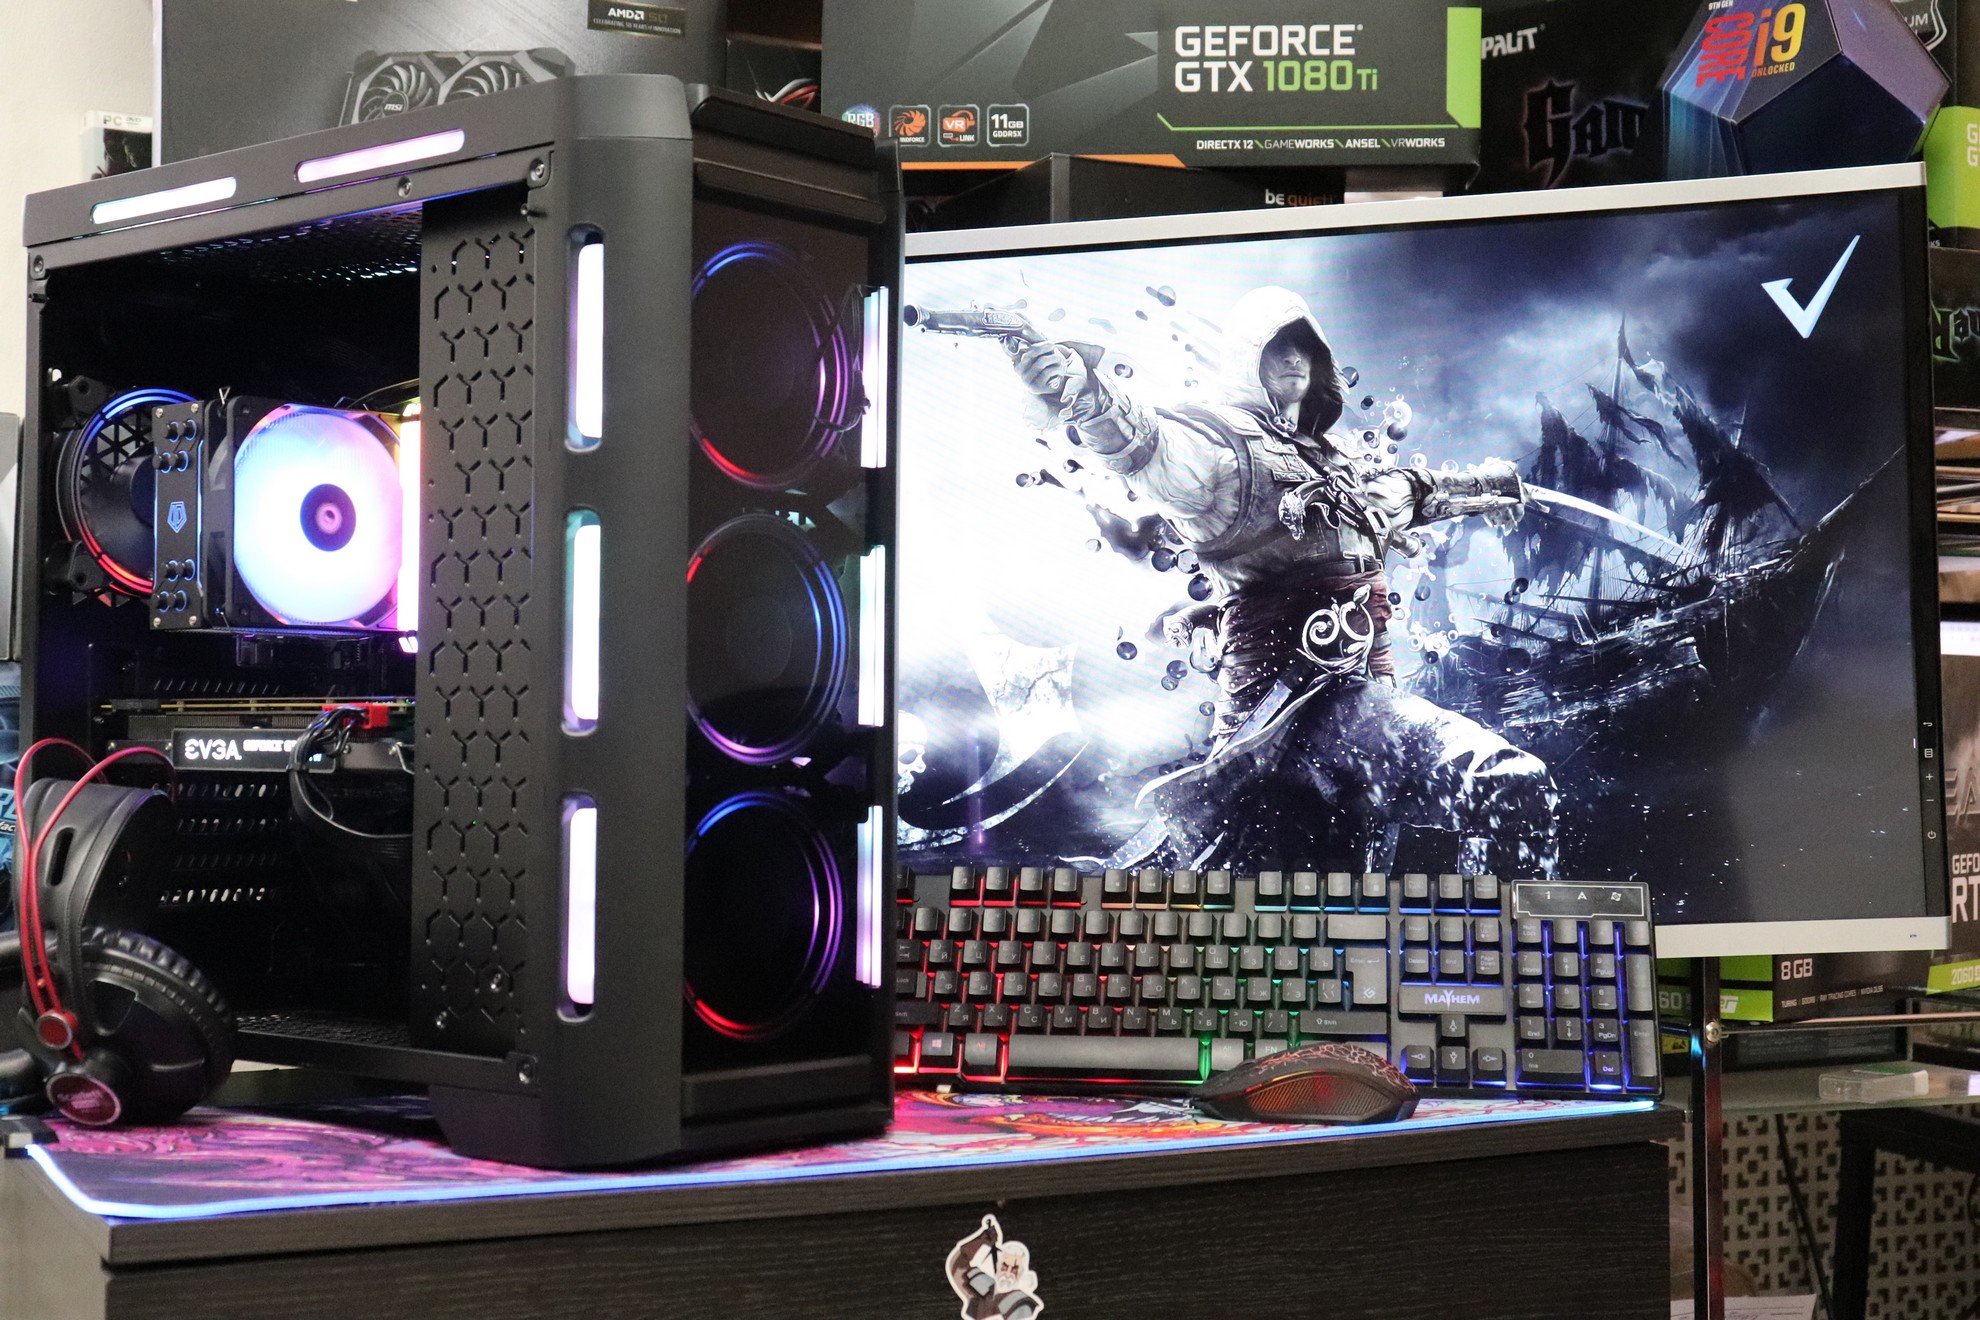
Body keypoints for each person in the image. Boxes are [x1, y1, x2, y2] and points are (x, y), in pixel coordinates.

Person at [1010, 286, 1557, 876]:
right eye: (1276, 346)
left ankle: (1481, 930)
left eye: (1304, 346)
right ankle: (1486, 932)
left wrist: (1492, 486)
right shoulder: (1217, 448)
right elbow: (1142, 444)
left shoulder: (1338, 464)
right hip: (1284, 720)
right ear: (1247, 359)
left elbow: (1412, 493)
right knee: (1506, 783)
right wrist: (1079, 390)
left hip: (1354, 712)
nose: (1294, 356)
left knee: (1331, 900)